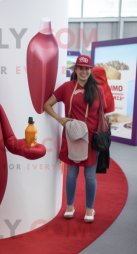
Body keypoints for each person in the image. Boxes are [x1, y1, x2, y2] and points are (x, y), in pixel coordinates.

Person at [43, 55, 106, 223]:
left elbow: (102, 113)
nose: (84, 71)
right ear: (75, 70)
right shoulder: (66, 87)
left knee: (90, 175)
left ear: (90, 70)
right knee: (71, 174)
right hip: (72, 136)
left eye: (87, 68)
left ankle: (89, 209)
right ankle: (70, 207)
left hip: (91, 139)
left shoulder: (98, 89)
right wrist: (60, 119)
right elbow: (46, 105)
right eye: (81, 68)